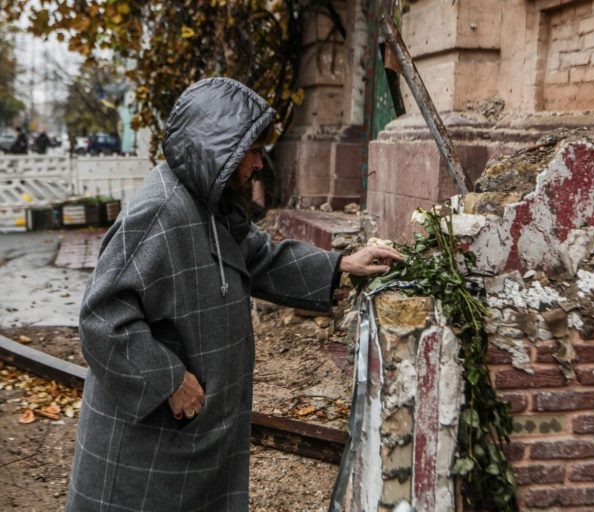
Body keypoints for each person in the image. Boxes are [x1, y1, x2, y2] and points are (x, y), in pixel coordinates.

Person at [66, 77, 401, 511]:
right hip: (148, 447)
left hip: (191, 434)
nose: (259, 164)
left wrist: (341, 265)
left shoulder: (211, 203)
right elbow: (101, 318)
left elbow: (260, 257)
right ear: (216, 149)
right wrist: (168, 380)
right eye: (253, 151)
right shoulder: (160, 212)